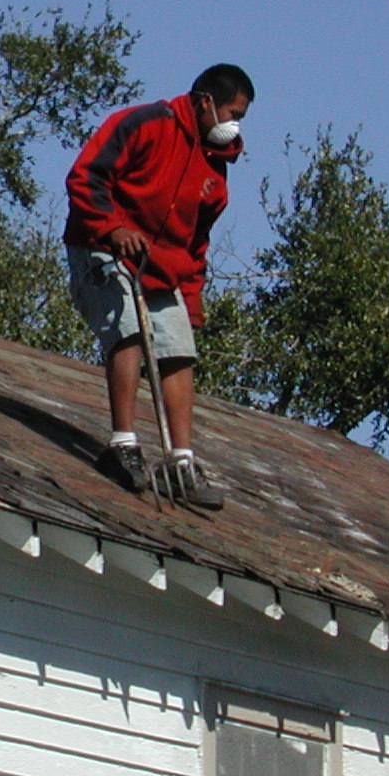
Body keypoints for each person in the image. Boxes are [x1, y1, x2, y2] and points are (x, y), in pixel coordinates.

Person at [63, 63, 254, 508]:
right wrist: (112, 229)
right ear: (205, 102)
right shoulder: (145, 124)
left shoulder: (215, 173)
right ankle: (123, 444)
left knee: (178, 348)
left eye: (240, 117)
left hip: (160, 268)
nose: (234, 125)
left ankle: (181, 461)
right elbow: (85, 177)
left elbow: (195, 248)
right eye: (231, 112)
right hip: (102, 247)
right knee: (128, 326)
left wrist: (191, 303)